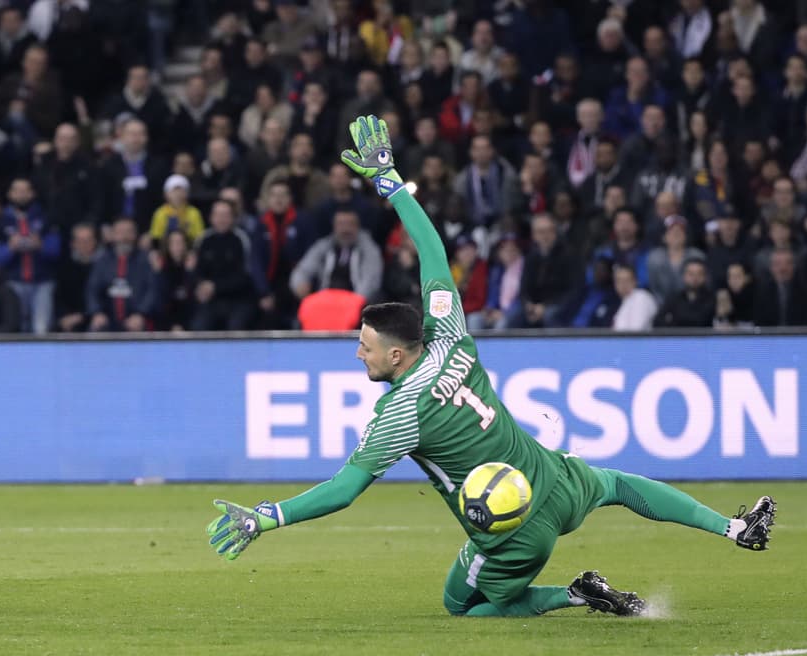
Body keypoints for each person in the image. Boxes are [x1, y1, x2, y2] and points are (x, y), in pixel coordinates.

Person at [206, 116, 776, 619]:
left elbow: (344, 490)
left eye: (367, 346)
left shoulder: (398, 414)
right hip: (556, 477)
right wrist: (390, 181)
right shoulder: (450, 333)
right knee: (620, 484)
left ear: (397, 355)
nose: (359, 353)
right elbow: (431, 252)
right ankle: (733, 528)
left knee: (464, 606)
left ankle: (576, 595)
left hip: (513, 529)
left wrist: (267, 517)